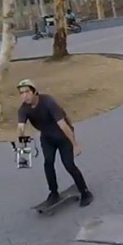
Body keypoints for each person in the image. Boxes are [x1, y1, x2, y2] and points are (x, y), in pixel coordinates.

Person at [16, 79, 93, 208]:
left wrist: (75, 144)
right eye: (21, 93)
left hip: (63, 137)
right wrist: (22, 147)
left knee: (69, 165)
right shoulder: (23, 109)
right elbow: (20, 128)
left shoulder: (48, 102)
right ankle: (53, 193)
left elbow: (63, 125)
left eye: (27, 92)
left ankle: (85, 191)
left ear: (34, 92)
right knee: (48, 163)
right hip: (47, 138)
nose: (25, 96)